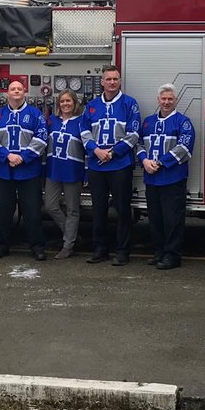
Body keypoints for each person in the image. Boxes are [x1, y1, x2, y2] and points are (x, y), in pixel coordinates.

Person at [80, 65, 141, 266]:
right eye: (108, 79)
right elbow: (84, 132)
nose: (112, 82)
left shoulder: (130, 104)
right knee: (98, 209)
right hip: (97, 166)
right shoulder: (91, 106)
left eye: (115, 79)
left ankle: (122, 251)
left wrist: (113, 153)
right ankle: (100, 249)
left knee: (122, 209)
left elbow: (134, 134)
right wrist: (96, 150)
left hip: (120, 164)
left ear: (120, 81)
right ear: (102, 82)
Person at [0, 79, 49, 260]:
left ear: (24, 92)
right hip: (4, 170)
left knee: (32, 211)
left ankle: (37, 246)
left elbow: (42, 139)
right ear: (7, 93)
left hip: (28, 171)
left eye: (19, 89)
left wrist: (23, 157)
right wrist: (7, 155)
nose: (16, 92)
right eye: (12, 89)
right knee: (4, 211)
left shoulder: (35, 114)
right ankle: (1, 246)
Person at [137, 84, 195, 270]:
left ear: (175, 100)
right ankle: (159, 251)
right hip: (152, 179)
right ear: (158, 100)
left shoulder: (183, 122)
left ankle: (172, 255)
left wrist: (160, 163)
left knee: (172, 219)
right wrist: (145, 161)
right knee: (155, 218)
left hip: (173, 178)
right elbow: (138, 144)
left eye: (170, 99)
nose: (167, 102)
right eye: (164, 98)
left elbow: (184, 148)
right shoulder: (148, 122)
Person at [44, 90, 86, 259]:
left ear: (75, 103)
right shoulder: (51, 121)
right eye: (62, 101)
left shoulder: (82, 122)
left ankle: (68, 245)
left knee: (72, 210)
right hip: (53, 169)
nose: (65, 104)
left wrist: (87, 175)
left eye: (69, 101)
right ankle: (72, 234)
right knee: (50, 206)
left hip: (73, 171)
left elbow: (87, 149)